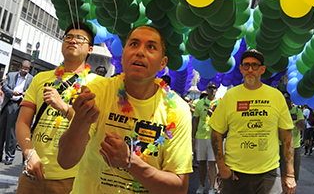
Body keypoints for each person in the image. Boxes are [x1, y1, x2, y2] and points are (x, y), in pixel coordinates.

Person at [58, 25, 192, 194]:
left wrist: (130, 161)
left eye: (151, 47)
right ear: (122, 56)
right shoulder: (98, 91)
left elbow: (179, 188)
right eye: (134, 44)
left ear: (162, 63)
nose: (140, 52)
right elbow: (65, 161)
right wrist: (80, 121)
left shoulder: (178, 110)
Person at [16, 21, 97, 193]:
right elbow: (22, 122)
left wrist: (63, 107)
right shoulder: (40, 78)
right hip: (32, 173)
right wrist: (30, 155)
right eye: (68, 37)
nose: (73, 41)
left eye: (80, 39)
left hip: (71, 178)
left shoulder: (98, 84)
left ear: (90, 49)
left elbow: (94, 129)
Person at [210, 48, 295, 194]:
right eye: (246, 65)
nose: (250, 69)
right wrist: (221, 166)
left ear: (262, 69)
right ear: (241, 69)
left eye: (254, 65)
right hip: (234, 173)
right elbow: (216, 133)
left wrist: (290, 174)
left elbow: (287, 136)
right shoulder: (230, 96)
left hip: (269, 173)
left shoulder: (276, 96)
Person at [0, 60, 32, 165]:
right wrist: (11, 92)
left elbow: (32, 92)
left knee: (11, 132)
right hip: (8, 103)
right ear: (20, 67)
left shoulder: (30, 79)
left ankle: (10, 155)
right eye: (24, 68)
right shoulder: (12, 75)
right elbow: (4, 86)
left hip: (18, 106)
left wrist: (25, 94)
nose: (25, 70)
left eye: (27, 69)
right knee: (1, 130)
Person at [192, 81, 220, 194]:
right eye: (210, 88)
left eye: (214, 88)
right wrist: (192, 137)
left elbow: (223, 121)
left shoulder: (220, 103)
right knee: (202, 162)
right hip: (201, 136)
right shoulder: (200, 103)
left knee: (212, 162)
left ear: (216, 90)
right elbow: (196, 121)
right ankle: (202, 185)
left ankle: (212, 187)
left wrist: (213, 115)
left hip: (214, 137)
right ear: (206, 90)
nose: (212, 90)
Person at [279, 92, 305, 193]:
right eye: (284, 99)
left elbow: (303, 126)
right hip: (281, 146)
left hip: (295, 146)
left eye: (287, 99)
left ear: (290, 101)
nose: (286, 101)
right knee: (282, 173)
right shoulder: (280, 112)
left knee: (294, 174)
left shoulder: (297, 111)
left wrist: (300, 124)